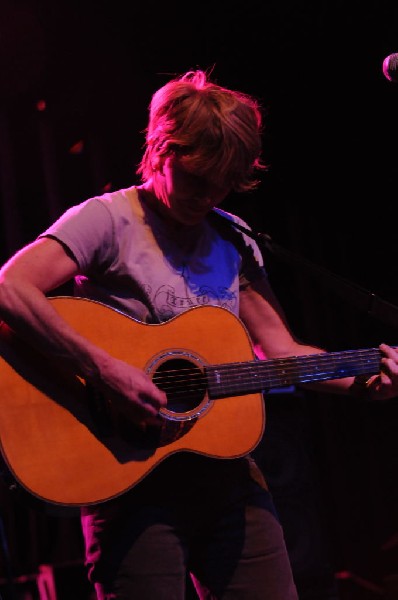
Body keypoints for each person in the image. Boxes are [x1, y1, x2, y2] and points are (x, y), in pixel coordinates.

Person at [0, 69, 397, 600]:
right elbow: (10, 286)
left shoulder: (234, 239)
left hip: (228, 477)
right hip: (127, 473)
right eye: (196, 180)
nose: (208, 198)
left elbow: (280, 351)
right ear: (161, 148)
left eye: (224, 185)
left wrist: (367, 383)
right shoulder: (106, 220)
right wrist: (105, 368)